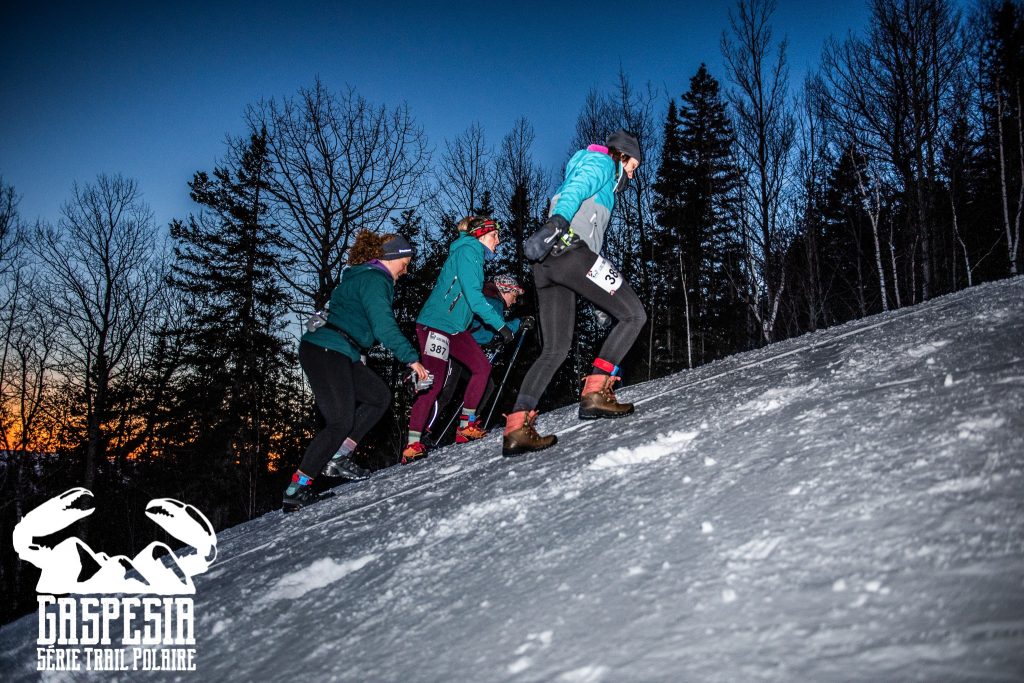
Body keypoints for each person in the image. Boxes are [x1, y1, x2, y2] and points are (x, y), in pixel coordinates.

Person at [504, 130, 648, 456]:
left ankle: (517, 427)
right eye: (632, 166)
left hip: (549, 264)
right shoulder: (602, 162)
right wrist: (555, 224)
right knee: (634, 314)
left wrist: (600, 298)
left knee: (555, 349)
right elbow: (575, 189)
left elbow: (591, 241)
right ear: (622, 155)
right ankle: (596, 391)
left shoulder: (602, 181)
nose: (632, 174)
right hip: (567, 249)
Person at [283, 231, 429, 512]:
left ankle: (339, 457)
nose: (406, 270)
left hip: (340, 350)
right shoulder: (376, 280)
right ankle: (296, 488)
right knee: (340, 421)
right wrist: (412, 358)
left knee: (378, 396)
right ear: (392, 257)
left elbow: (351, 320)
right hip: (327, 350)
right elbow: (383, 326)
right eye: (405, 263)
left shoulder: (361, 277)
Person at [403, 216, 514, 463]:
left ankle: (466, 426)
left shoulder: (473, 253)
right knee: (434, 380)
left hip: (454, 329)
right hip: (436, 324)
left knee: (482, 367)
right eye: (494, 235)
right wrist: (501, 326)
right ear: (481, 235)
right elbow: (474, 298)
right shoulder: (468, 251)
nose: (498, 240)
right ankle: (412, 444)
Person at [424, 274, 534, 444]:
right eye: (514, 295)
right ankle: (423, 433)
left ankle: (468, 424)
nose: (514, 301)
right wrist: (518, 323)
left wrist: (494, 338)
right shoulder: (493, 302)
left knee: (485, 385)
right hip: (452, 346)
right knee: (445, 389)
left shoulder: (489, 300)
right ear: (505, 290)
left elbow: (481, 332)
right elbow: (492, 329)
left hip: (461, 349)